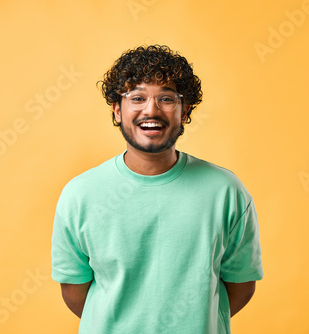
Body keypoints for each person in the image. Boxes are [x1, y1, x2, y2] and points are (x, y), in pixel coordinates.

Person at [51, 44, 264, 334]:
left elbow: (241, 285)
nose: (151, 109)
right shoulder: (79, 195)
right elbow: (75, 293)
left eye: (166, 98)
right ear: (117, 111)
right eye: (137, 97)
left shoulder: (226, 191)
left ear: (185, 111)